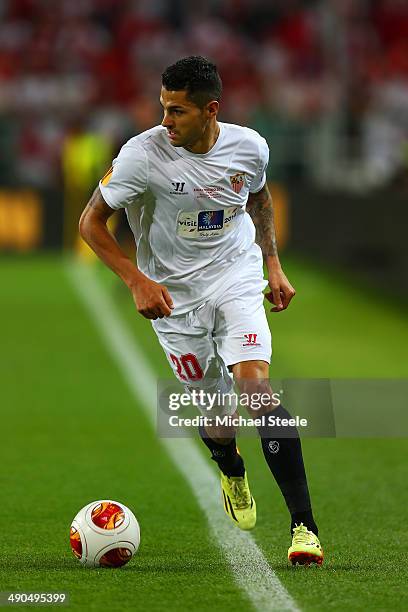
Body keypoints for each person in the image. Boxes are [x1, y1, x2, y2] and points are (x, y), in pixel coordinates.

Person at [79, 56, 323, 566]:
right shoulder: (140, 156)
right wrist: (136, 280)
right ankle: (231, 468)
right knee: (215, 413)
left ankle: (304, 528)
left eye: (178, 112)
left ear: (211, 110)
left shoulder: (250, 146)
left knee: (255, 389)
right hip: (172, 298)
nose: (166, 121)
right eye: (164, 108)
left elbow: (257, 196)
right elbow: (92, 223)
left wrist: (272, 263)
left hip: (236, 276)